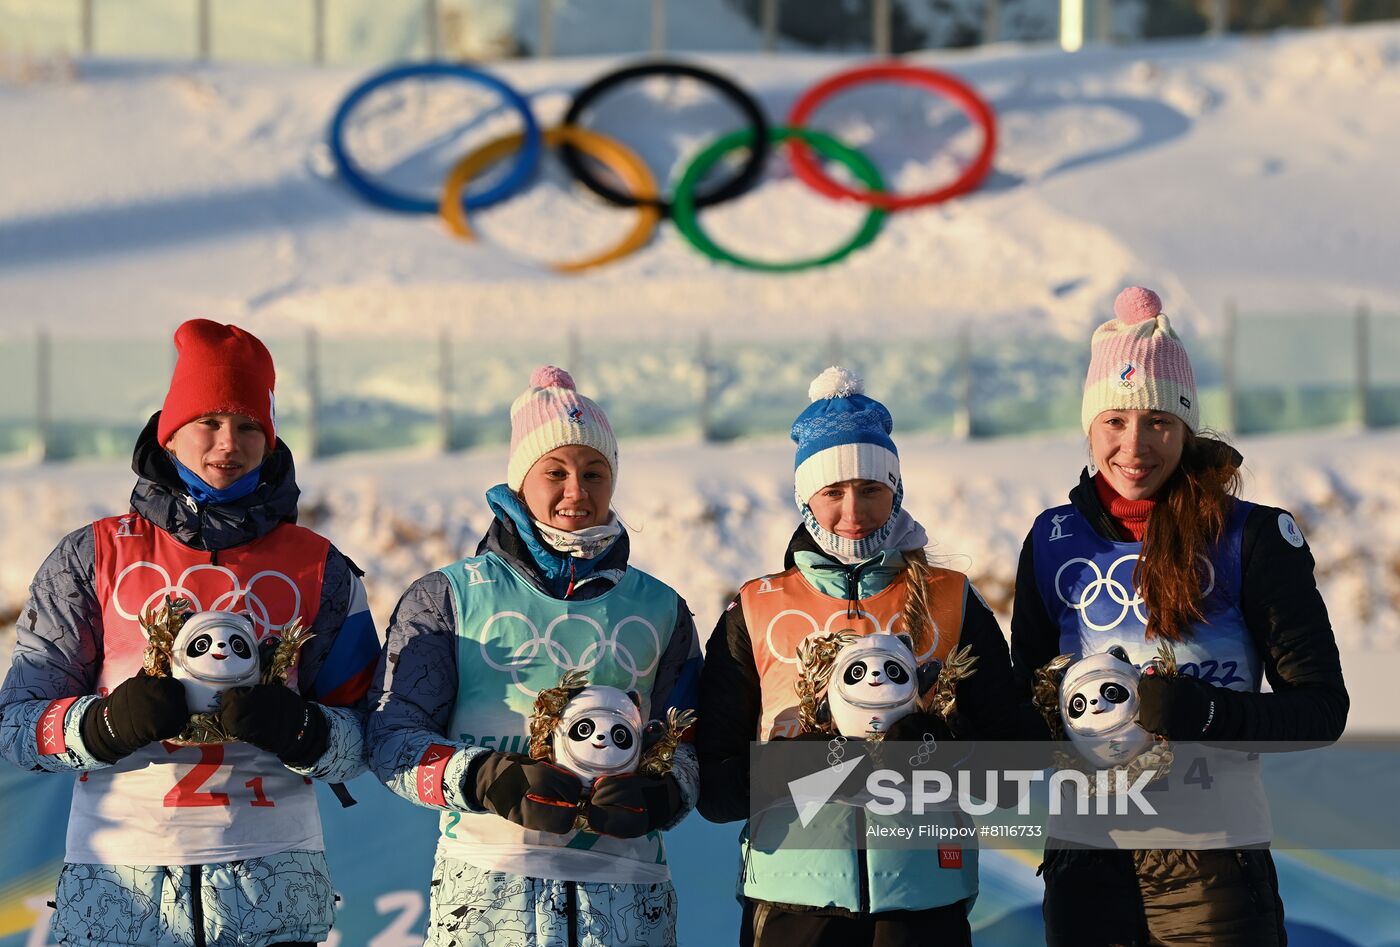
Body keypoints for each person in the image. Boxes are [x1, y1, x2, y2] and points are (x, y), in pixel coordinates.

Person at [0, 320, 380, 947]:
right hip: (119, 903)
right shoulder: (90, 556)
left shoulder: (321, 567)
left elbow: (371, 738)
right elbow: (16, 726)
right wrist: (100, 726)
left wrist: (304, 731)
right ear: (170, 431)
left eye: (250, 425)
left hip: (272, 901)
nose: (229, 442)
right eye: (209, 420)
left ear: (271, 437)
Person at [1010, 287, 1350, 945]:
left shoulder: (1251, 535)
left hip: (1213, 862)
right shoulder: (1051, 538)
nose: (1134, 445)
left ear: (1187, 428)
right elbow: (1024, 706)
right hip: (1087, 858)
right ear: (1089, 425)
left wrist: (1205, 712)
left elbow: (1320, 708)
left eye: (1158, 422)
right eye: (1115, 421)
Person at [697, 366, 1044, 947]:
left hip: (924, 901)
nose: (853, 512)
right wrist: (800, 767)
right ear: (805, 496)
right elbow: (715, 790)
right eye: (832, 492)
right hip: (794, 903)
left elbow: (1014, 767)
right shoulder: (755, 608)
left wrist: (937, 754)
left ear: (896, 492)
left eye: (871, 489)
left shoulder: (951, 599)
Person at [367, 365, 702, 947]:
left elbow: (691, 746)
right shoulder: (446, 596)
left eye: (595, 472)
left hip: (625, 898)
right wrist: (482, 777)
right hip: (490, 897)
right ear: (522, 481)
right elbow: (392, 739)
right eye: (556, 472)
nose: (577, 491)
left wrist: (663, 795)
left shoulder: (662, 608)